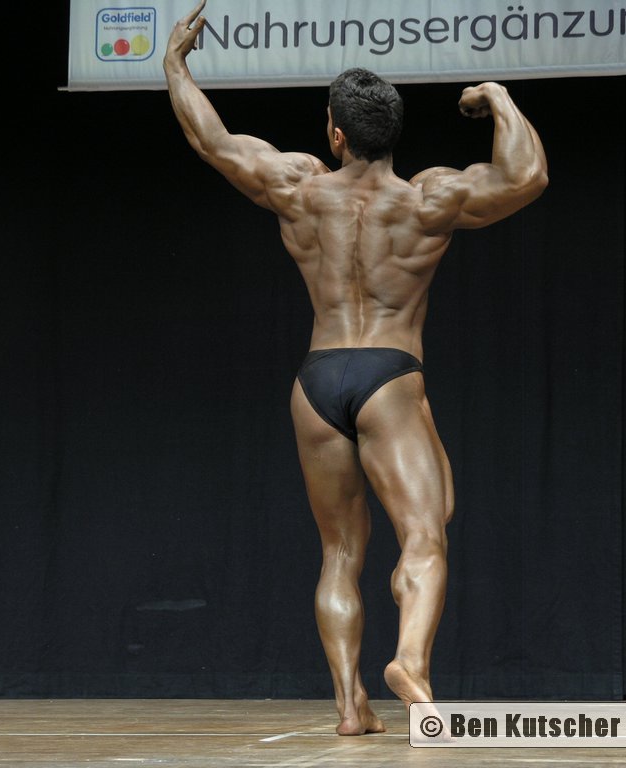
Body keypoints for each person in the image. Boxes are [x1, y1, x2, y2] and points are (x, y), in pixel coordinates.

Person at [165, 0, 548, 736]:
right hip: (387, 375)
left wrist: (176, 66)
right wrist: (498, 98)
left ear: (336, 133)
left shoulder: (298, 187)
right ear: (392, 134)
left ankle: (350, 706)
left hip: (316, 380)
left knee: (340, 550)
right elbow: (527, 176)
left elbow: (211, 140)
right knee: (424, 536)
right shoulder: (427, 198)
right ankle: (411, 662)